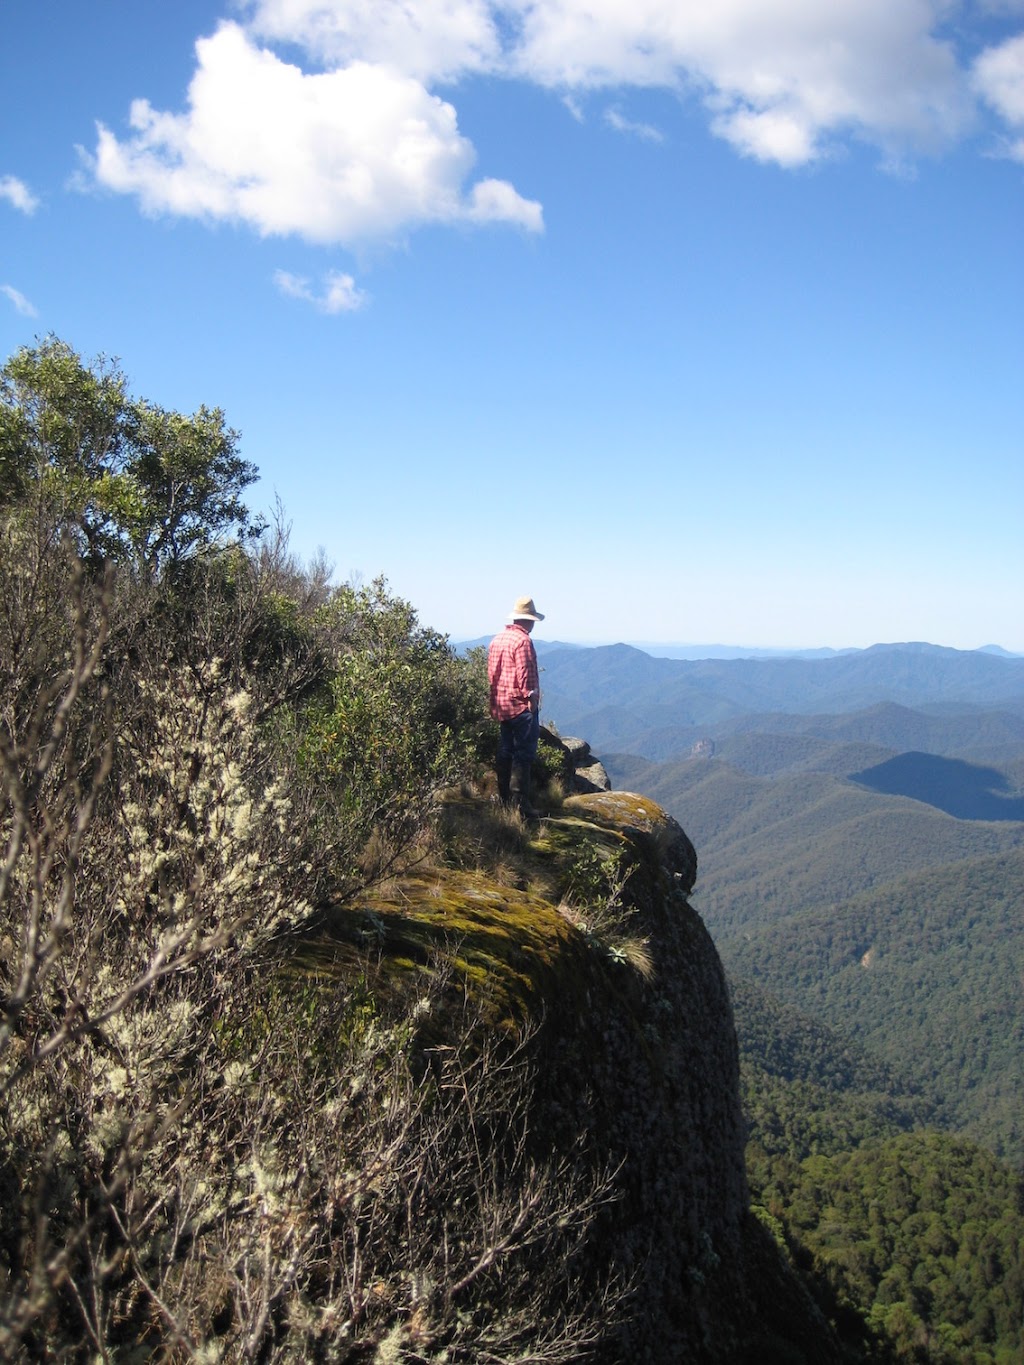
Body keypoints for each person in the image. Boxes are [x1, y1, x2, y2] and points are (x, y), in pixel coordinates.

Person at [487, 595, 544, 817]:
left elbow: (492, 673)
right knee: (524, 753)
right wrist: (531, 700)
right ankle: (521, 806)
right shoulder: (523, 641)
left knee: (505, 750)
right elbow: (526, 674)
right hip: (520, 706)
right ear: (527, 620)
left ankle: (504, 800)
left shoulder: (498, 639)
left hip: (501, 705)